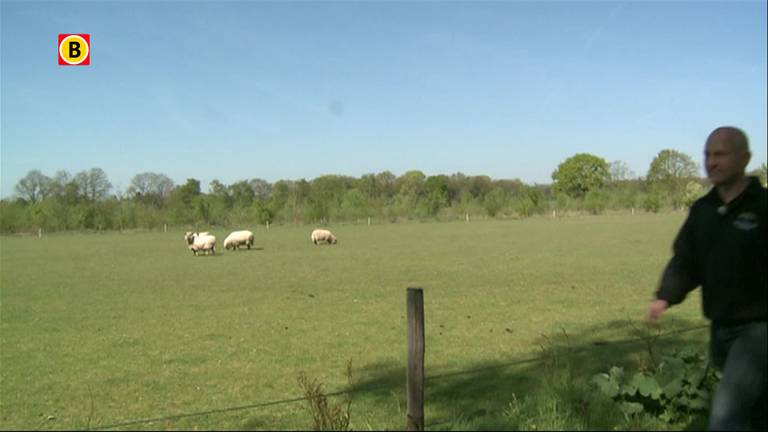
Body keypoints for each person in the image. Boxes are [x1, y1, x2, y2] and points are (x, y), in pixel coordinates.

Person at [646, 126, 766, 430]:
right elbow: (686, 260)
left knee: (726, 417)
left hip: (758, 332)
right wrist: (665, 296)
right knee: (757, 411)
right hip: (720, 330)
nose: (711, 161)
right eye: (707, 154)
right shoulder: (703, 211)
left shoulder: (763, 207)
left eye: (720, 154)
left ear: (745, 158)